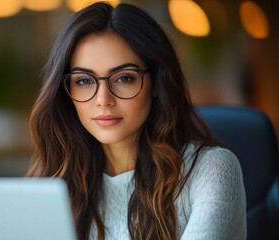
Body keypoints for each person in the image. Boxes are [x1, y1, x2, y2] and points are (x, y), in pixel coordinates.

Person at [27, 2, 246, 240]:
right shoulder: (55, 180)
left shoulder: (211, 169)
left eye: (124, 78)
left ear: (156, 82)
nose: (103, 100)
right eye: (83, 81)